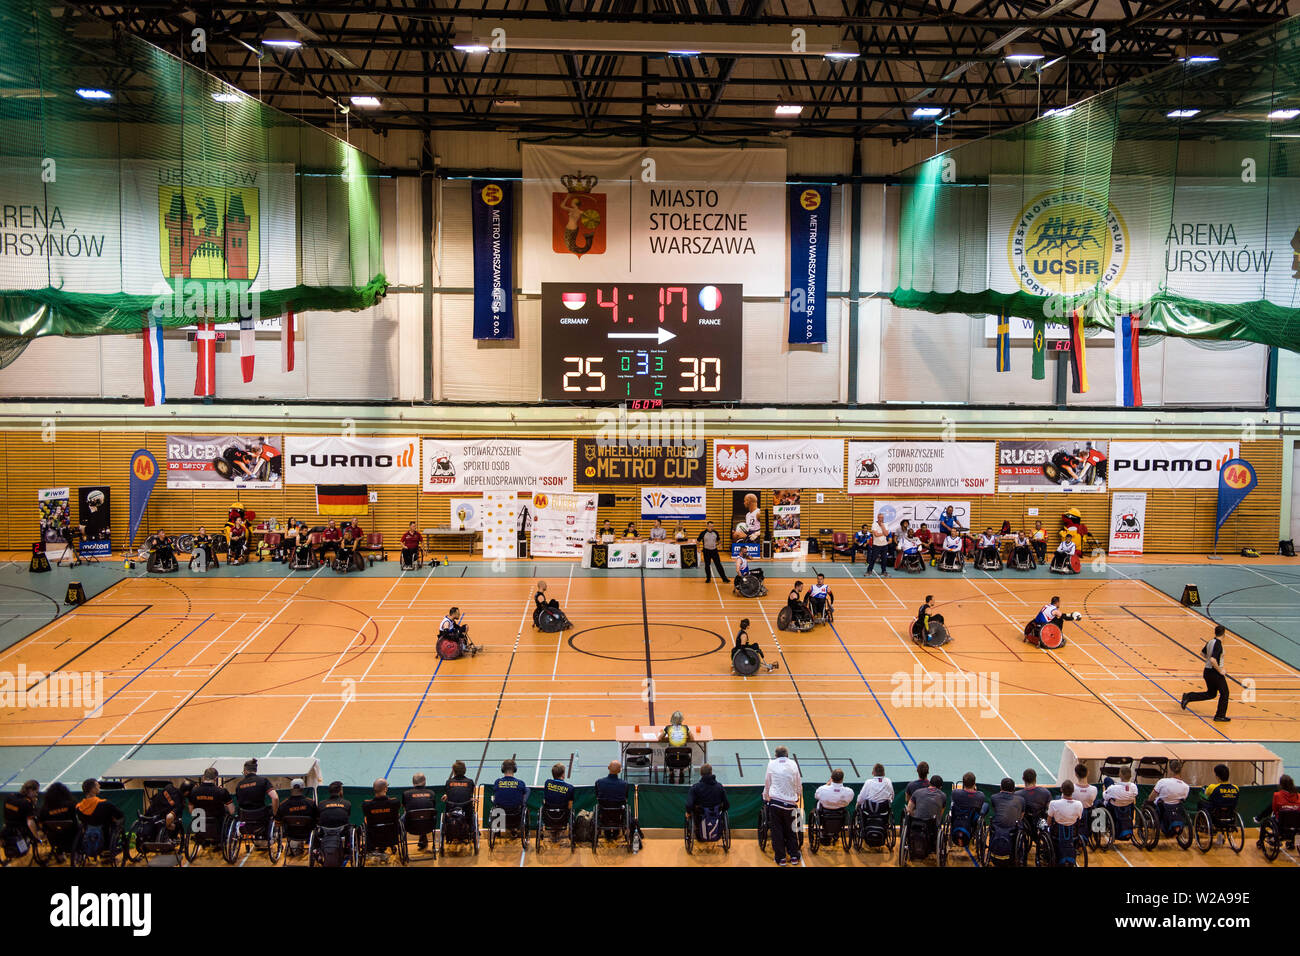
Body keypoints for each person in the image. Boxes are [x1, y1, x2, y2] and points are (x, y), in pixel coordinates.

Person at [1180, 623, 1231, 722]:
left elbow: (1202, 653)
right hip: (1214, 672)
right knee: (1225, 693)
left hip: (1207, 671)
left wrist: (1209, 661)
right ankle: (1220, 715)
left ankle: (1189, 696)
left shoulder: (1210, 641)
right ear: (1224, 634)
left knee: (1211, 693)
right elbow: (1212, 660)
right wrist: (1220, 670)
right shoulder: (1218, 645)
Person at [762, 746, 802, 865]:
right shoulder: (793, 764)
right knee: (791, 830)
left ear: (776, 755)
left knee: (777, 831)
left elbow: (767, 782)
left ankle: (781, 858)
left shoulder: (771, 764)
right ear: (787, 755)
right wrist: (798, 794)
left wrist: (766, 796)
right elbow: (798, 782)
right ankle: (794, 856)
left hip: (776, 804)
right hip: (790, 804)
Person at [75, 779, 125, 855]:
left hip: (87, 836)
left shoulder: (79, 808)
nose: (99, 786)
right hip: (105, 839)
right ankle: (110, 848)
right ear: (92, 789)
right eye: (97, 785)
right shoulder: (105, 804)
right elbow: (120, 815)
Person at [188, 767, 233, 841]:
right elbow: (232, 811)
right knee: (227, 812)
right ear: (216, 778)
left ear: (203, 777)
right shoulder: (222, 791)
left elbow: (191, 811)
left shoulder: (193, 791)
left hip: (200, 825)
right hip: (217, 825)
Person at [1256, 774, 1299, 849]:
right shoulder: (1298, 795)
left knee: (1265, 822)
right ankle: (1291, 842)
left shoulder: (1277, 795)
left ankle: (1261, 841)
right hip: (1296, 824)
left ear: (1281, 785)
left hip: (1281, 823)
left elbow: (1274, 809)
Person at [276, 779, 318, 856]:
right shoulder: (311, 803)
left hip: (290, 834)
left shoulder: (283, 805)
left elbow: (278, 822)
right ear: (302, 789)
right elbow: (317, 820)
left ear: (291, 789)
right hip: (307, 835)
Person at [37, 782, 77, 862]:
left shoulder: (45, 809)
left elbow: (41, 821)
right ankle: (77, 852)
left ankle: (59, 853)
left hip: (54, 836)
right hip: (71, 835)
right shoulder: (71, 805)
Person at [362, 778, 402, 852]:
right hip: (391, 837)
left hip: (374, 838)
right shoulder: (395, 803)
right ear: (385, 789)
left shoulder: (366, 805)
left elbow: (367, 819)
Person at [1047, 780, 1084, 860]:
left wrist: (1048, 827)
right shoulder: (1079, 804)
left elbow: (1049, 820)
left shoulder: (1053, 803)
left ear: (1061, 790)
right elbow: (1079, 818)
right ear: (1073, 791)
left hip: (1056, 833)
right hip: (1073, 833)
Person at [906, 775, 947, 843]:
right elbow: (940, 814)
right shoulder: (943, 795)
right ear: (940, 787)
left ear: (929, 783)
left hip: (916, 824)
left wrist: (916, 815)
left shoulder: (917, 792)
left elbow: (909, 809)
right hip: (932, 828)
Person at [402, 773, 438, 850]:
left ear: (413, 783)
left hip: (411, 827)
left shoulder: (406, 794)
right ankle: (423, 838)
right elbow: (433, 808)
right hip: (429, 825)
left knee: (405, 816)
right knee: (425, 815)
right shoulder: (431, 793)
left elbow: (405, 809)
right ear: (424, 781)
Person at [490, 760, 529, 831]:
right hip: (516, 813)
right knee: (527, 790)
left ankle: (498, 829)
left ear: (502, 769)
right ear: (515, 769)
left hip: (500, 813)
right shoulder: (520, 783)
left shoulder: (497, 782)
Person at [950, 772, 989, 839]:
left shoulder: (955, 793)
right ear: (974, 783)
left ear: (963, 783)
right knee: (986, 805)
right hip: (972, 820)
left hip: (958, 818)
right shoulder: (980, 795)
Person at [2, 780, 40, 847]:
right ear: (31, 790)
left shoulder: (9, 797)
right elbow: (30, 822)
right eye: (36, 792)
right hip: (21, 832)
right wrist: (37, 837)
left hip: (6, 830)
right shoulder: (27, 803)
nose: (36, 795)